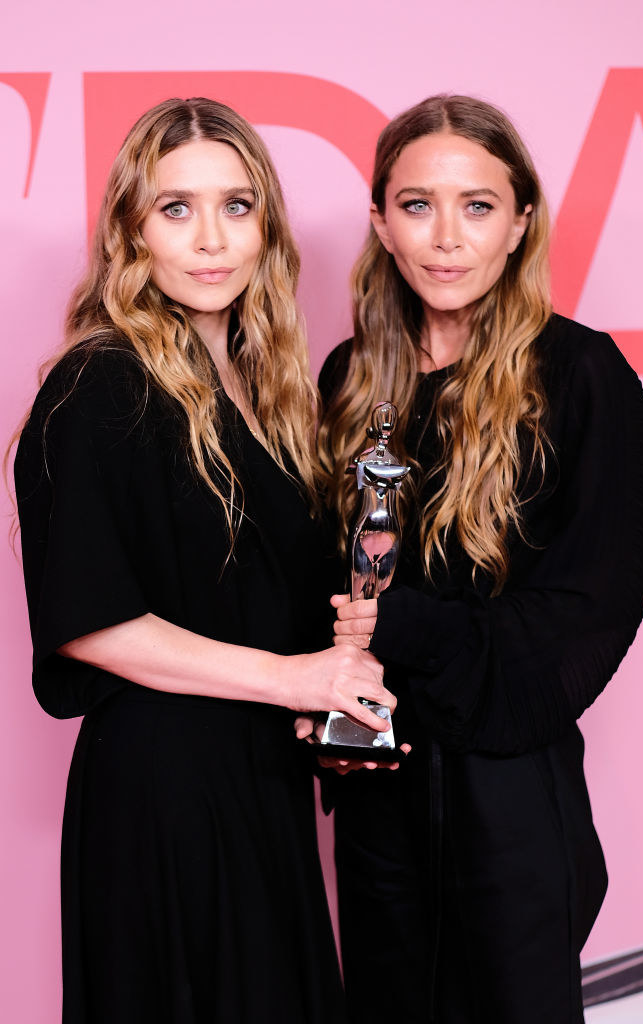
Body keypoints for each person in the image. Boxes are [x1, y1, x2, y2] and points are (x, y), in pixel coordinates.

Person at [12, 97, 395, 1024]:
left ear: (265, 225)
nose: (211, 238)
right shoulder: (101, 381)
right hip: (160, 796)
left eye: (236, 206)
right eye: (175, 208)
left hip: (256, 779)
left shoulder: (270, 394)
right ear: (131, 232)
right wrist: (295, 677)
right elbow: (91, 622)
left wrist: (325, 695)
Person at [311, 95, 643, 1024]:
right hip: (378, 793)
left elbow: (590, 608)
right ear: (381, 223)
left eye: (477, 205)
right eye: (417, 205)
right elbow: (320, 578)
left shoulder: (580, 374)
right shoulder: (347, 378)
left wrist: (405, 625)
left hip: (509, 796)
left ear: (521, 222)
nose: (445, 237)